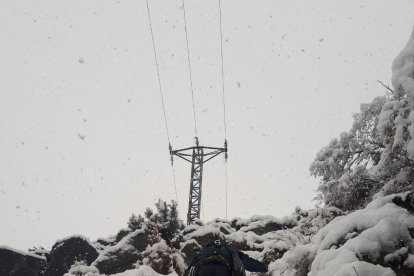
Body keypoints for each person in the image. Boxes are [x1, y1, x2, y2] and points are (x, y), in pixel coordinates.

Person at [184, 237, 268, 276]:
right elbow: (247, 262)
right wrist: (265, 267)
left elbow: (191, 266)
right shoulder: (230, 249)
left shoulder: (204, 250)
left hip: (204, 269)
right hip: (223, 269)